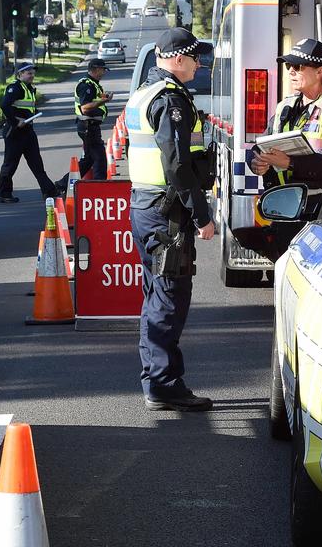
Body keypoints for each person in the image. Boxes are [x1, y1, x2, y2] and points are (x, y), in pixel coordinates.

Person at [125, 27, 215, 412]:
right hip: (168, 212)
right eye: (195, 58)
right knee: (169, 297)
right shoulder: (169, 100)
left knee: (156, 294)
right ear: (177, 58)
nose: (199, 65)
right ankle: (163, 385)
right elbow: (177, 164)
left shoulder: (144, 92)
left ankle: (156, 378)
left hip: (147, 207)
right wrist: (202, 215)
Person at [250, 38, 322, 193]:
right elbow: (258, 146)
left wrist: (289, 162)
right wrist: (256, 163)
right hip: (282, 202)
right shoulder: (285, 106)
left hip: (318, 205)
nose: (291, 71)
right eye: (289, 65)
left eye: (298, 66)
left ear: (320, 71)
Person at [0, 62, 63, 204]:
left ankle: (49, 191)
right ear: (20, 74)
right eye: (29, 73)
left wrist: (32, 114)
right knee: (10, 165)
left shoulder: (29, 88)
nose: (32, 75)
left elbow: (25, 107)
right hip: (15, 132)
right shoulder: (15, 88)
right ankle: (4, 194)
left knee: (36, 163)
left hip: (28, 131)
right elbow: (4, 106)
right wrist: (16, 121)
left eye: (33, 73)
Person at [74, 58, 110, 180]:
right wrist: (103, 101)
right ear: (96, 69)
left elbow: (94, 100)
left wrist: (103, 98)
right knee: (99, 158)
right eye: (102, 70)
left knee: (88, 160)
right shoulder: (86, 85)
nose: (104, 73)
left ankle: (63, 184)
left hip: (90, 126)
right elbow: (85, 108)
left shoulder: (93, 84)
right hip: (87, 126)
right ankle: (99, 186)